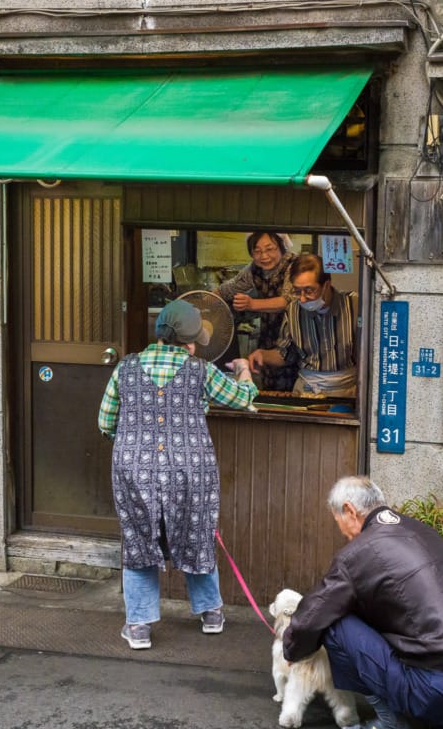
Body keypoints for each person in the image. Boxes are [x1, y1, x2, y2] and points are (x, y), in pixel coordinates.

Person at [283, 476, 443, 729]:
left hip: (437, 692)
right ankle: (442, 722)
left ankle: (391, 725)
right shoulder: (422, 531)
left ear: (349, 510)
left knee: (335, 622)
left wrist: (293, 650)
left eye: (340, 525)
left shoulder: (357, 553)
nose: (344, 535)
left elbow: (314, 614)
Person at [97, 298, 258, 650]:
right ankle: (211, 613)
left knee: (139, 539)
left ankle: (138, 626)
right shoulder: (201, 370)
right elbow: (244, 398)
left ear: (158, 335)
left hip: (133, 468)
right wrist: (244, 368)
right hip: (190, 468)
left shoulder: (125, 368)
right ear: (189, 341)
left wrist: (133, 440)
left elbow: (105, 421)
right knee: (197, 531)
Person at [247, 254, 358, 398]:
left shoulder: (354, 305)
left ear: (326, 285)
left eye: (309, 290)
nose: (303, 298)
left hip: (347, 390)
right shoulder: (294, 310)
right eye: (297, 291)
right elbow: (285, 355)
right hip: (306, 390)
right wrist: (261, 354)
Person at [215, 230, 298, 391]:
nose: (264, 256)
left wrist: (252, 304)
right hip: (268, 336)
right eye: (257, 251)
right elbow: (227, 289)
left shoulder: (293, 265)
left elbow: (287, 301)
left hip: (294, 335)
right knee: (270, 389)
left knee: (292, 390)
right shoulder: (254, 269)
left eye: (270, 249)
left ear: (281, 246)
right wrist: (203, 302)